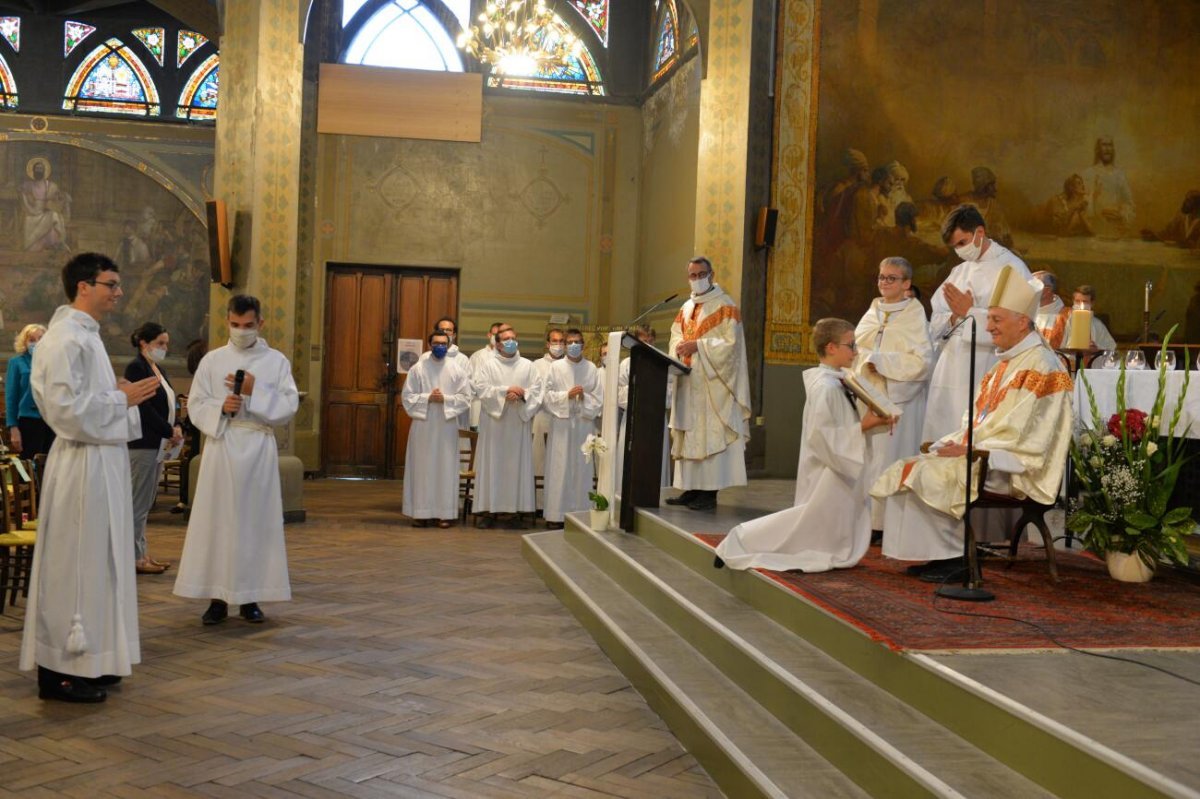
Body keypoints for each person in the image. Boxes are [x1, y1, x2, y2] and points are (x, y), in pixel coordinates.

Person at [872, 266, 1074, 583]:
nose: (989, 327)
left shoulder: (1043, 365)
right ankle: (938, 555)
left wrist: (972, 449)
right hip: (983, 453)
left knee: (930, 474)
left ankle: (955, 559)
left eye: (996, 319)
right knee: (913, 465)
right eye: (989, 318)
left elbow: (1030, 432)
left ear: (1023, 322)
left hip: (1014, 466)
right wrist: (953, 443)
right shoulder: (1004, 363)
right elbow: (977, 418)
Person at [19, 253, 160, 703]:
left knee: (100, 563)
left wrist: (119, 399)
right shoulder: (63, 339)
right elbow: (65, 413)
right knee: (73, 566)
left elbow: (90, 400)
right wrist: (121, 400)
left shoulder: (87, 336)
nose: (118, 292)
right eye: (111, 284)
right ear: (84, 286)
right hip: (80, 464)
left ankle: (91, 660)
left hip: (101, 462)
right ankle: (59, 669)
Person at [714, 319, 893, 572]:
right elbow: (823, 437)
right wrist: (866, 425)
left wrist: (877, 420)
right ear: (831, 347)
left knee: (817, 524)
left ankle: (744, 540)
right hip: (828, 468)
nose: (856, 351)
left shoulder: (838, 380)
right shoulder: (826, 388)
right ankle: (740, 538)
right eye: (851, 345)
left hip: (837, 464)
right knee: (805, 523)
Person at [173, 295, 300, 626]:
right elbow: (196, 404)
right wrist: (221, 407)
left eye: (247, 325)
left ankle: (250, 597)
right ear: (227, 321)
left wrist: (256, 391)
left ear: (261, 323)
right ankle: (217, 598)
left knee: (253, 522)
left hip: (257, 446)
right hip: (222, 446)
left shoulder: (276, 361)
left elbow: (288, 406)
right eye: (234, 325)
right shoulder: (212, 361)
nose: (241, 331)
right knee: (219, 521)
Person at [922, 205, 1031, 443]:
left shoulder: (1012, 268)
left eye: (962, 243)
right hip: (950, 367)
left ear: (979, 232)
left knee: (973, 440)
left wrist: (969, 312)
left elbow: (1020, 323)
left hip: (987, 362)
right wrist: (954, 316)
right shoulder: (959, 271)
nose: (959, 251)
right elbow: (936, 320)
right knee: (942, 438)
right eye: (954, 247)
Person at [853, 257, 933, 534]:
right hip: (866, 395)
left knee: (889, 461)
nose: (884, 282)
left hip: (897, 398)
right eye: (881, 277)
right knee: (866, 461)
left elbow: (922, 360)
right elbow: (855, 348)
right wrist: (864, 360)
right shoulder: (873, 310)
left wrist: (883, 363)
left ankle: (885, 525)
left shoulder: (913, 313)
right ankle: (865, 520)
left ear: (906, 283)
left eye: (891, 278)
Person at [666, 257, 751, 511]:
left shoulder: (725, 306)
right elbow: (676, 337)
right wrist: (679, 348)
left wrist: (699, 346)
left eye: (701, 274)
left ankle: (709, 493)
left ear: (711, 274)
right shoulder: (685, 307)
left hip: (713, 385)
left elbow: (732, 347)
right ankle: (691, 488)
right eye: (692, 275)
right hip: (688, 382)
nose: (697, 279)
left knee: (710, 436)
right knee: (690, 434)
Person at [124, 322, 183, 575]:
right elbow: (143, 408)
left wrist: (177, 424)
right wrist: (169, 431)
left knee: (145, 502)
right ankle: (134, 557)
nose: (164, 348)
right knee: (137, 503)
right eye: (160, 343)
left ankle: (142, 553)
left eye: (166, 343)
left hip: (158, 444)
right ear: (144, 343)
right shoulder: (136, 367)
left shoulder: (157, 368)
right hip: (144, 443)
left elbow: (171, 402)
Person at [471, 324, 543, 528]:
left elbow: (537, 391)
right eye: (506, 339)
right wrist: (505, 391)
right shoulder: (487, 365)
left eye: (513, 337)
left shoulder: (528, 366)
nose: (511, 342)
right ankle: (488, 511)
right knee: (492, 465)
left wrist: (522, 394)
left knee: (516, 466)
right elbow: (481, 389)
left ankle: (515, 512)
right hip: (495, 424)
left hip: (517, 423)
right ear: (498, 344)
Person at [402, 329, 472, 528]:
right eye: (436, 343)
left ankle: (444, 514)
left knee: (445, 468)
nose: (440, 346)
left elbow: (465, 398)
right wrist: (427, 398)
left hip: (446, 427)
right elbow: (407, 397)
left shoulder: (457, 370)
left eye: (444, 343)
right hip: (423, 426)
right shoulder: (418, 369)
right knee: (422, 468)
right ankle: (421, 513)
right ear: (429, 345)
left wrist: (445, 399)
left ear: (449, 345)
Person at [542, 329, 602, 529]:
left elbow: (599, 398)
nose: (573, 345)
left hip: (584, 425)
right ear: (565, 346)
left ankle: (581, 514)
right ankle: (556, 515)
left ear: (583, 345)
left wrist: (584, 397)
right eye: (570, 342)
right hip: (562, 425)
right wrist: (566, 396)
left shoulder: (591, 368)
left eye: (577, 342)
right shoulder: (556, 367)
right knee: (560, 468)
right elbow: (546, 396)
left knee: (582, 469)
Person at [615, 324, 671, 487]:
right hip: (634, 416)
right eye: (643, 341)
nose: (648, 344)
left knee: (655, 461)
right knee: (631, 462)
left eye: (650, 341)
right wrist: (639, 390)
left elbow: (671, 393)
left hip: (656, 418)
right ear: (636, 341)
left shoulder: (664, 362)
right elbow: (619, 394)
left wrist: (654, 390)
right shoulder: (626, 363)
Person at [6, 323, 54, 459]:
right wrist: (13, 428)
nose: (36, 343)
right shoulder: (16, 362)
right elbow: (11, 397)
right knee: (31, 466)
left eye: (40, 338)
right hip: (28, 422)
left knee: (51, 467)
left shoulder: (53, 362)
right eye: (32, 340)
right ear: (25, 342)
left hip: (52, 421)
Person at [531, 327, 566, 499]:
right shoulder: (537, 365)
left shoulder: (570, 365)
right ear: (547, 344)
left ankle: (558, 500)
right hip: (543, 416)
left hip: (564, 418)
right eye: (555, 341)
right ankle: (539, 502)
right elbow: (535, 391)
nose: (558, 345)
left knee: (560, 461)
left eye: (561, 341)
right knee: (540, 460)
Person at [1082, 136, 1135, 237]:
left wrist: (1122, 214)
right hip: (1093, 230)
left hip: (1114, 230)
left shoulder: (1120, 175)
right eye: (1104, 145)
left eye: (1110, 145)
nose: (1107, 149)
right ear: (1098, 149)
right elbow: (1083, 203)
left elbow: (1129, 204)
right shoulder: (1088, 174)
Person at [961, 167, 1013, 248]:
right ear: (983, 186)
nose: (995, 189)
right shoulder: (965, 202)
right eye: (992, 185)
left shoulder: (994, 206)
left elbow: (1005, 233)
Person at [468, 321, 503, 428]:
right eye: (495, 335)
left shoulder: (507, 356)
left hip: (501, 405)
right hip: (480, 405)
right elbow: (474, 383)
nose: (497, 338)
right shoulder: (478, 356)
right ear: (489, 335)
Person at [1062, 285, 1116, 351]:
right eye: (1077, 301)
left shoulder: (1098, 325)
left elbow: (1111, 347)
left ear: (1092, 303)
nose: (1080, 305)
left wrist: (1096, 348)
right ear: (1073, 301)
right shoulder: (1063, 321)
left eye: (1084, 302)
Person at [1032, 271, 1070, 349]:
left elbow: (1072, 352)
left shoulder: (1068, 316)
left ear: (1047, 290)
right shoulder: (1025, 313)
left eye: (1034, 285)